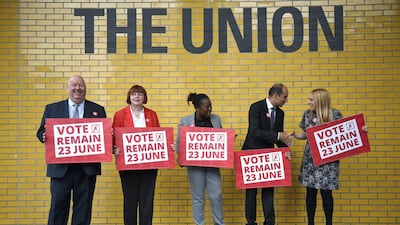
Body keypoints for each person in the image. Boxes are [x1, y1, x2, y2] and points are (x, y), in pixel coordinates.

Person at [36, 75, 107, 225]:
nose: (78, 88)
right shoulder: (52, 108)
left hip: (86, 170)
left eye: (81, 85)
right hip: (61, 169)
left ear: (85, 89)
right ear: (68, 88)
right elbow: (41, 131)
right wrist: (43, 135)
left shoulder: (97, 109)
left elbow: (104, 135)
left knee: (83, 210)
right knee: (58, 209)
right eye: (74, 85)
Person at [241, 83, 292, 225]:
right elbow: (254, 132)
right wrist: (278, 136)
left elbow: (279, 137)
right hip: (251, 154)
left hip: (269, 156)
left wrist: (286, 150)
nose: (286, 101)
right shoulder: (256, 107)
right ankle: (250, 222)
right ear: (276, 96)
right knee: (251, 192)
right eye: (284, 97)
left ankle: (269, 222)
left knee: (269, 191)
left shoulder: (280, 113)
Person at [112, 84, 160, 225]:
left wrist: (167, 146)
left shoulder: (152, 114)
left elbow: (158, 136)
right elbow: (114, 136)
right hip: (128, 164)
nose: (137, 96)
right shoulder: (120, 114)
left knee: (147, 201)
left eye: (140, 94)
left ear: (144, 97)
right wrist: (113, 149)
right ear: (129, 97)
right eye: (134, 94)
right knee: (130, 200)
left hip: (149, 165)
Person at [176, 93, 225, 225]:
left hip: (212, 165)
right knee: (198, 198)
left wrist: (228, 141)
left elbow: (220, 140)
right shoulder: (185, 121)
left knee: (216, 196)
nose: (210, 109)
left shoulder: (216, 119)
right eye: (206, 107)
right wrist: (180, 156)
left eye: (211, 106)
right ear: (197, 107)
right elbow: (179, 143)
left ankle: (219, 223)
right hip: (195, 166)